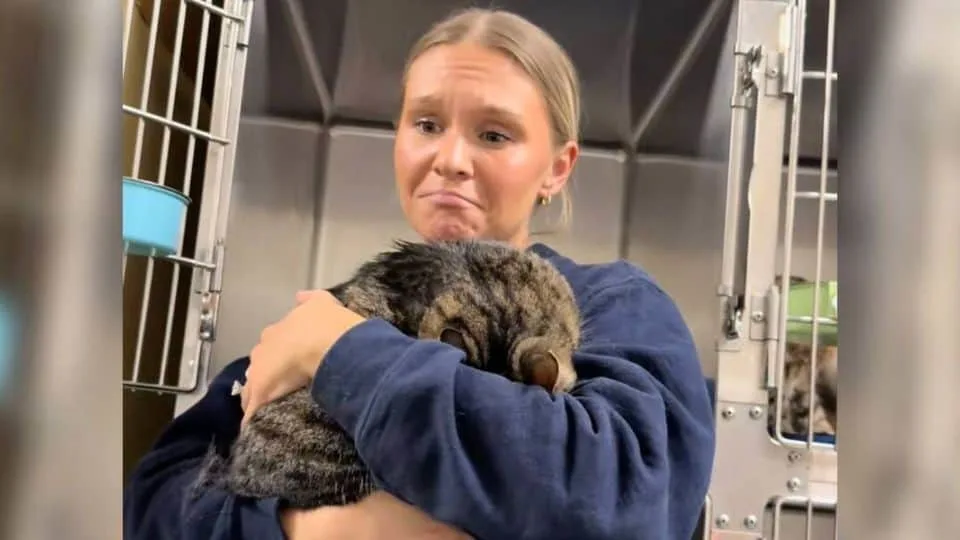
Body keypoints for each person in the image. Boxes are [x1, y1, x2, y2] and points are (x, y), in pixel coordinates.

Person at [123, 7, 715, 540]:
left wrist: (341, 354)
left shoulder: (611, 304)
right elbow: (153, 501)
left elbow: (629, 499)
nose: (450, 160)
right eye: (427, 124)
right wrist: (308, 530)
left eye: (494, 134)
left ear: (557, 169)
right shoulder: (339, 310)